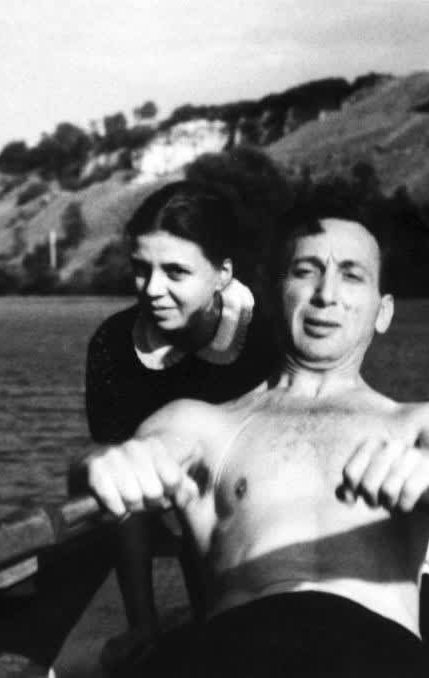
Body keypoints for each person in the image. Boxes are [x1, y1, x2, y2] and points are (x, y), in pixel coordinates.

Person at [77, 196, 429, 677]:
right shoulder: (205, 423)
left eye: (351, 275)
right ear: (270, 291)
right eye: (306, 271)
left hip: (378, 656)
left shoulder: (420, 424)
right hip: (240, 652)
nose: (326, 294)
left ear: (382, 311)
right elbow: (141, 453)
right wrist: (116, 467)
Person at [78, 180, 280, 653]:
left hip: (259, 519)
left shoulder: (269, 333)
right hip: (174, 512)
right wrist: (141, 626)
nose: (152, 290)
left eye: (175, 272)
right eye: (141, 269)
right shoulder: (112, 345)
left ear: (222, 273)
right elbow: (124, 501)